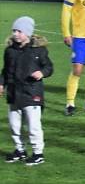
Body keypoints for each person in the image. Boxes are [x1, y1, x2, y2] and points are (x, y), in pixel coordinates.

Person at [2, 16, 53, 166]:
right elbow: (5, 71)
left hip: (32, 93)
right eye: (14, 31)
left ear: (28, 33)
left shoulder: (39, 50)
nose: (16, 34)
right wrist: (1, 84)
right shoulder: (10, 51)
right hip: (13, 93)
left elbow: (49, 67)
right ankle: (20, 149)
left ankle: (38, 153)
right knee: (14, 125)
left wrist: (42, 73)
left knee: (33, 125)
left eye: (19, 31)